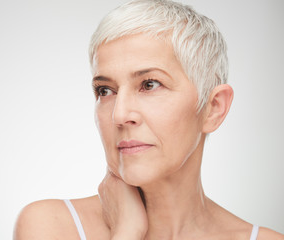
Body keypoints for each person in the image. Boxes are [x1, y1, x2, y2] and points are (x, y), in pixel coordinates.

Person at [14, 0, 284, 239]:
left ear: (213, 108)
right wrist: (127, 231)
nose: (119, 115)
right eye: (105, 90)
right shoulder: (52, 226)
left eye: (150, 84)